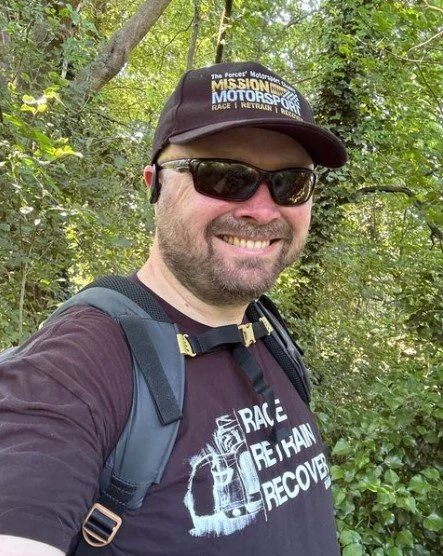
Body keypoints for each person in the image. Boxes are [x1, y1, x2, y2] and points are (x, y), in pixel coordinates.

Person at [0, 61, 347, 555]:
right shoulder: (76, 367)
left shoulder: (269, 330)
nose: (262, 209)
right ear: (154, 184)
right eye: (224, 177)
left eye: (291, 183)